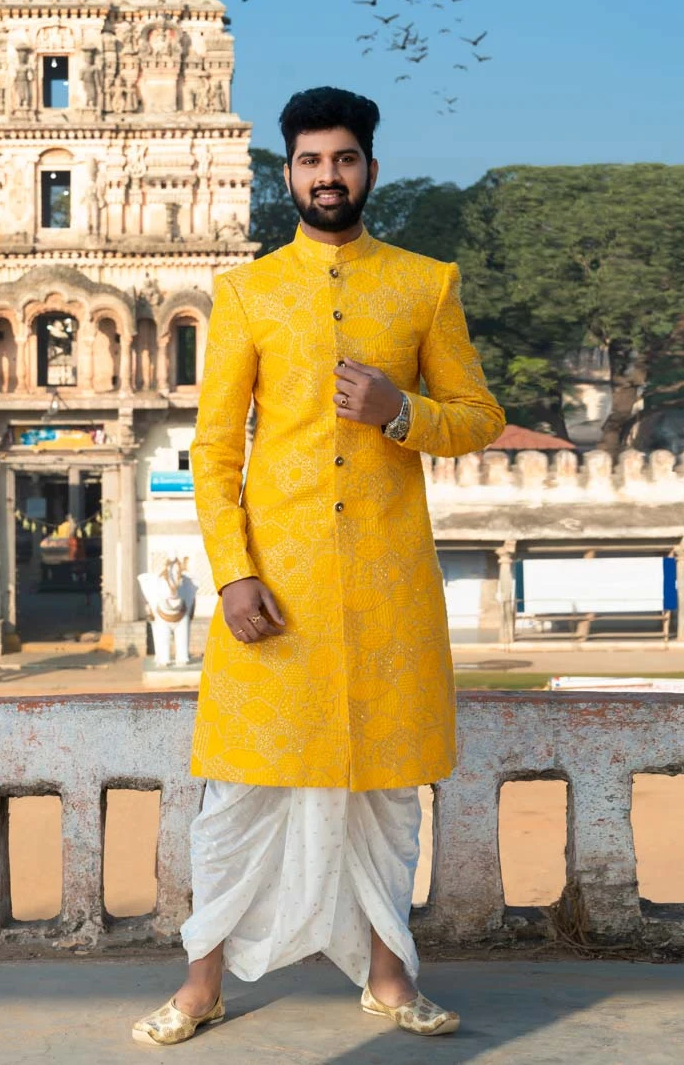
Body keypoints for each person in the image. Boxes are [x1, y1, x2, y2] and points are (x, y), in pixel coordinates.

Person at [133, 87, 504, 1046]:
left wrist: (398, 411)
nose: (327, 176)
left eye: (343, 159)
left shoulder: (425, 285)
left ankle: (389, 979)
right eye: (310, 161)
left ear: (370, 169)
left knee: (384, 797)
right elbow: (215, 451)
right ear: (289, 174)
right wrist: (232, 573)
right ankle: (201, 985)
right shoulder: (247, 293)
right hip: (275, 592)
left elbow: (478, 418)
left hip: (387, 592)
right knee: (237, 798)